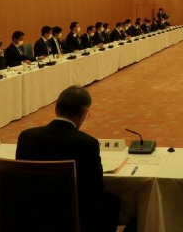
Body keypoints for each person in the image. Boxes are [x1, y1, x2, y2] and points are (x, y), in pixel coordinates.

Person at [16, 85, 123, 232]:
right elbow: (95, 189)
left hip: (31, 215)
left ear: (56, 109)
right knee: (111, 202)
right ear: (83, 113)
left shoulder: (27, 137)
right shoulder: (87, 144)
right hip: (72, 218)